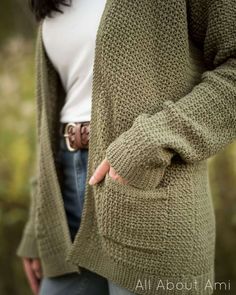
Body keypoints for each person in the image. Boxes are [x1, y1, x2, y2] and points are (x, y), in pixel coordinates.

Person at [16, 0, 236, 294]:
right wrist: (39, 222)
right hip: (62, 203)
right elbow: (58, 107)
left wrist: (150, 141)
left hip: (152, 196)